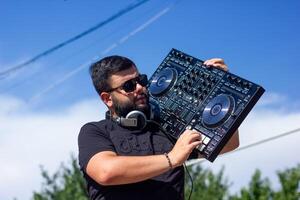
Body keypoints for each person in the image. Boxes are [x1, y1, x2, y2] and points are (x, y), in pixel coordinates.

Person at [78, 55, 239, 200]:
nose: (140, 87)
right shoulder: (95, 131)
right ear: (108, 99)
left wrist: (221, 89)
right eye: (129, 86)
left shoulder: (164, 127)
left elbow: (229, 144)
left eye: (141, 80)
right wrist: (172, 158)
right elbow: (106, 172)